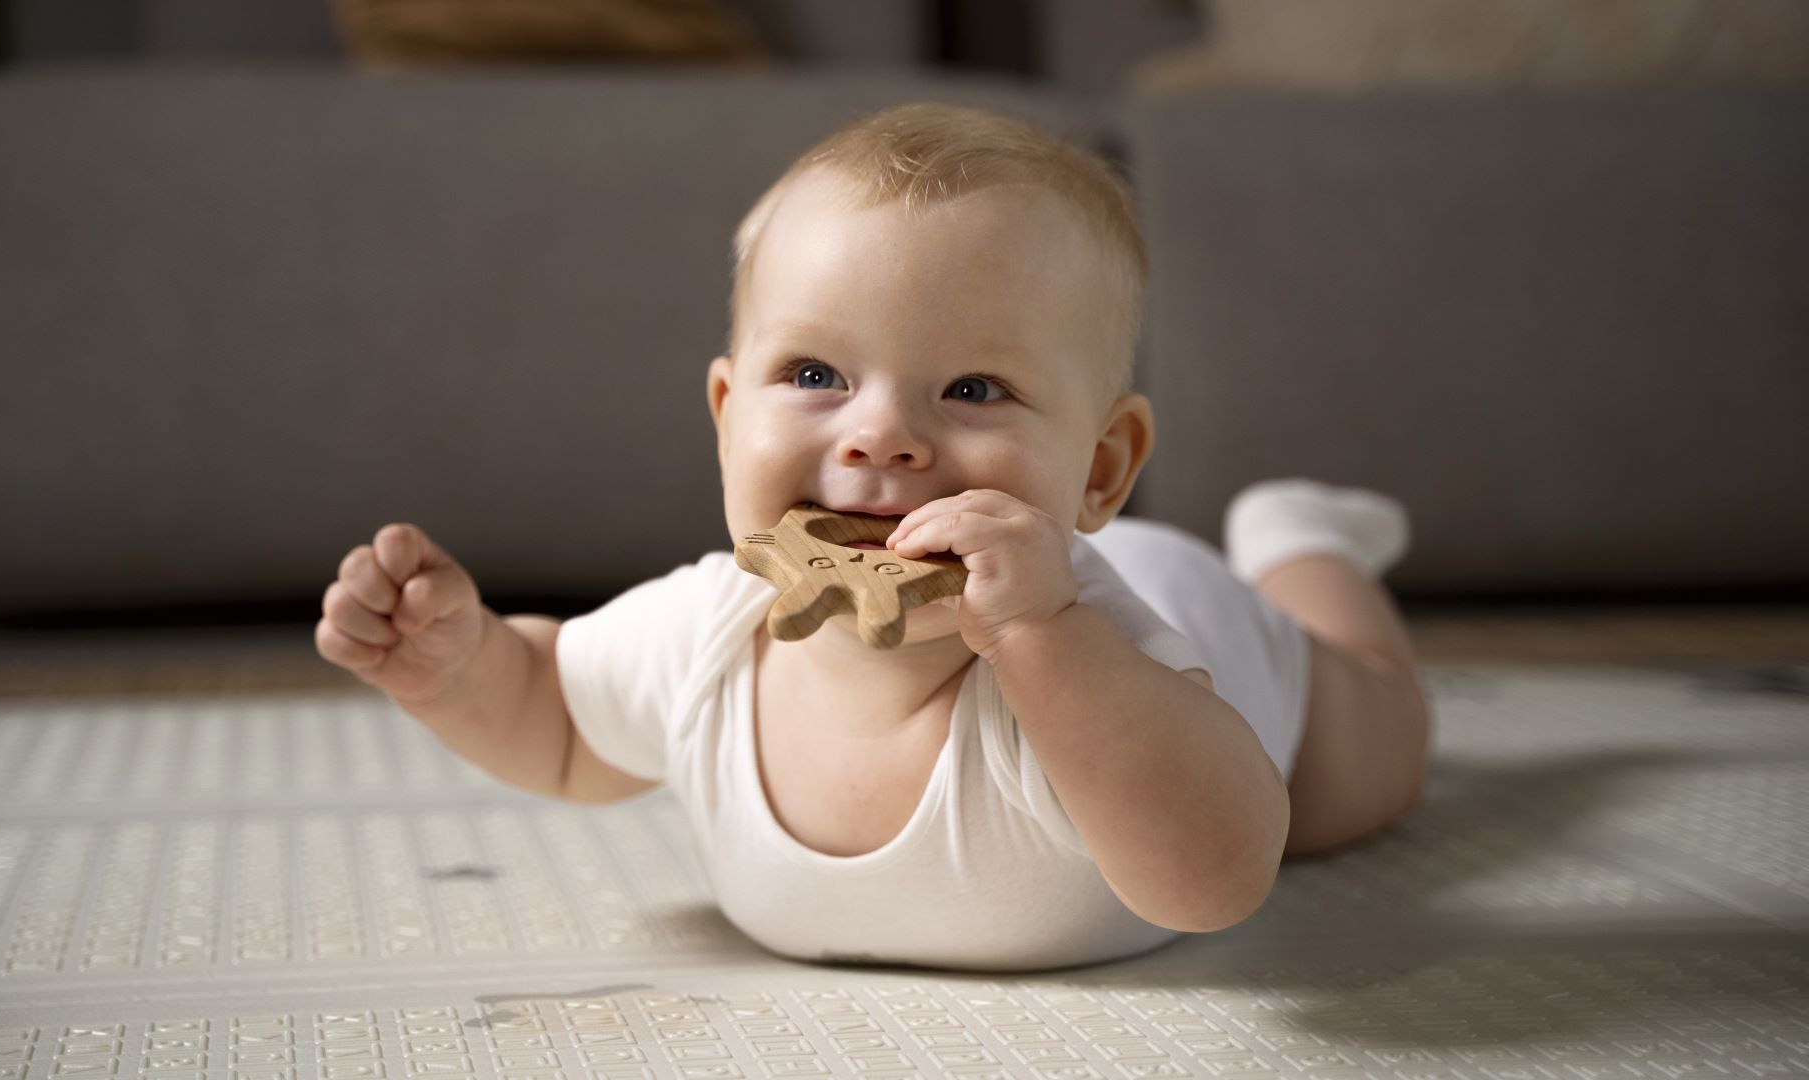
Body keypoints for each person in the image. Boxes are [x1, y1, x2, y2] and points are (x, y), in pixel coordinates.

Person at [315, 101, 1431, 972]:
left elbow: (1221, 878)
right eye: (813, 375)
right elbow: (558, 721)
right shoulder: (710, 632)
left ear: (1097, 470)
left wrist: (1046, 638)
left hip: (1219, 638)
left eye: (975, 387)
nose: (883, 436)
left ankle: (1300, 545)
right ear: (725, 416)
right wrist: (456, 667)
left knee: (1375, 760)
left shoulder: (1108, 652)